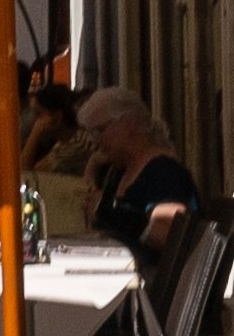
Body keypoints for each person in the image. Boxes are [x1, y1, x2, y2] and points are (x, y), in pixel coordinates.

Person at [82, 89, 207, 319]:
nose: (94, 142)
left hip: (151, 301)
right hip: (121, 287)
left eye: (99, 131)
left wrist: (113, 213)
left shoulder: (163, 172)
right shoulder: (119, 171)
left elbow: (172, 234)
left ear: (129, 123)